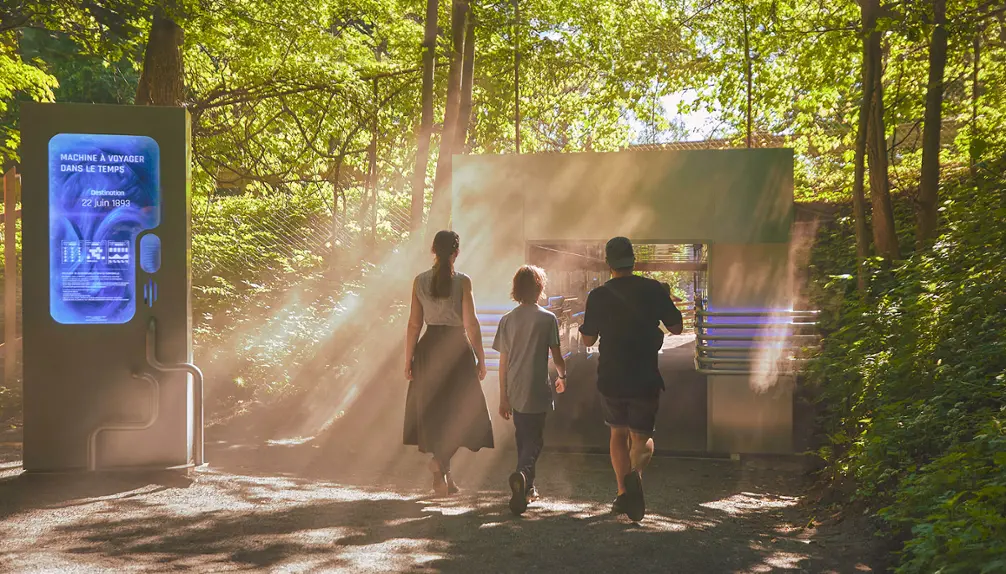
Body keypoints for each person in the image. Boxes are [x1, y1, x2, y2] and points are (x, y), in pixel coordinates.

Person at [578, 237, 683, 521]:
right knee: (642, 436)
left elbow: (588, 339)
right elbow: (677, 327)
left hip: (611, 374)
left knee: (617, 433)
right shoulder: (653, 289)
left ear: (608, 264)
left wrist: (582, 327)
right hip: (645, 374)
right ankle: (636, 476)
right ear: (633, 261)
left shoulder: (598, 295)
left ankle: (623, 492)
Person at [404, 230, 494, 496]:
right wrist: (481, 356)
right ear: (457, 252)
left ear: (433, 250)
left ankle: (442, 473)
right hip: (456, 349)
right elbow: (471, 323)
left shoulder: (419, 281)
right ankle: (440, 466)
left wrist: (408, 358)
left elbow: (413, 324)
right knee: (464, 413)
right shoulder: (463, 282)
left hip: (428, 349)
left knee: (435, 413)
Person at [492, 265, 568, 516]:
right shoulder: (548, 319)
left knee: (523, 436)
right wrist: (562, 376)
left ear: (516, 289)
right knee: (535, 440)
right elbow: (556, 356)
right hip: (537, 387)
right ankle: (523, 475)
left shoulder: (507, 320)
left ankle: (527, 488)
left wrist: (503, 396)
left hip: (514, 387)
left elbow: (502, 363)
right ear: (539, 288)